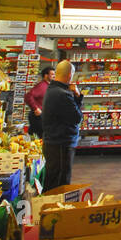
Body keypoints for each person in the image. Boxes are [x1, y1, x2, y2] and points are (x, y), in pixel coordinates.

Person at [41, 60, 84, 192]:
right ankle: (55, 204)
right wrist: (78, 96)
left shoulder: (52, 89)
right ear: (70, 75)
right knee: (59, 183)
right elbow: (77, 118)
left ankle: (52, 203)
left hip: (54, 142)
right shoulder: (62, 94)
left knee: (53, 180)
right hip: (61, 144)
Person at [24, 66, 54, 137]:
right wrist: (35, 108)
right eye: (52, 74)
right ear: (46, 75)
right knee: (39, 137)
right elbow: (28, 96)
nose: (54, 76)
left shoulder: (48, 85)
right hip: (38, 117)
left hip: (42, 117)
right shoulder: (41, 86)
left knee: (36, 136)